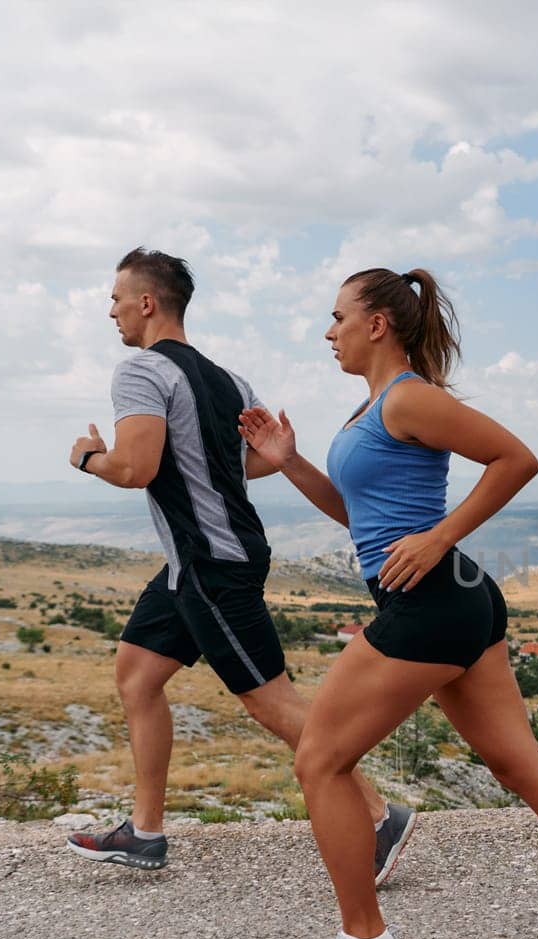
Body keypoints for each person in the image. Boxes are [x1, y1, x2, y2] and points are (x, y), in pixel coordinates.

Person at [239, 266, 538, 939]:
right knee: (518, 764)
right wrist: (288, 462)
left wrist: (439, 537)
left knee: (319, 761)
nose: (328, 330)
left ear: (378, 324)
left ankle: (364, 938)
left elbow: (517, 459)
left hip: (433, 601)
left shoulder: (410, 399)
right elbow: (360, 517)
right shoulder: (375, 408)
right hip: (457, 600)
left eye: (338, 316)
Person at [64, 248, 415, 887]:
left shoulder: (139, 371)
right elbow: (247, 463)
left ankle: (377, 815)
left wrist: (88, 456)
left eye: (116, 298)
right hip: (194, 562)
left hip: (212, 564)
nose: (110, 310)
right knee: (137, 674)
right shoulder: (229, 381)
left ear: (147, 303)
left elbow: (134, 468)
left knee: (271, 700)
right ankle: (144, 833)